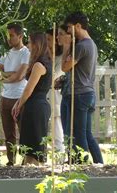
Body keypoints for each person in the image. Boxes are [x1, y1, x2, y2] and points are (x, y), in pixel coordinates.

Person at [61, 12, 103, 164]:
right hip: (88, 93)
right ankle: (99, 164)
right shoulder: (92, 44)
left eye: (70, 28)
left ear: (78, 26)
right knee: (86, 134)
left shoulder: (81, 46)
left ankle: (82, 165)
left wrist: (66, 47)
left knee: (78, 134)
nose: (68, 31)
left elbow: (65, 67)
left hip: (78, 94)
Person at [12, 32, 52, 165]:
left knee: (33, 146)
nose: (28, 45)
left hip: (36, 107)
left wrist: (18, 105)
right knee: (31, 144)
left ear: (37, 44)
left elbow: (29, 89)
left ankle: (33, 170)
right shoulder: (46, 62)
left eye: (30, 42)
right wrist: (18, 102)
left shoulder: (39, 65)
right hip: (36, 105)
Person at [0, 23, 30, 166]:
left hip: (19, 96)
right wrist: (11, 74)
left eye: (11, 35)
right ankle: (11, 160)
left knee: (23, 130)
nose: (9, 39)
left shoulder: (25, 53)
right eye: (7, 35)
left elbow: (21, 75)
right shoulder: (5, 53)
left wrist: (7, 76)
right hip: (5, 97)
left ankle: (25, 159)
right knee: (8, 132)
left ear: (20, 36)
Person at [46, 28, 65, 153]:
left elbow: (53, 77)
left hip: (55, 97)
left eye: (49, 39)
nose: (46, 42)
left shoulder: (60, 58)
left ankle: (60, 155)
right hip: (44, 96)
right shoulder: (44, 57)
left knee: (57, 130)